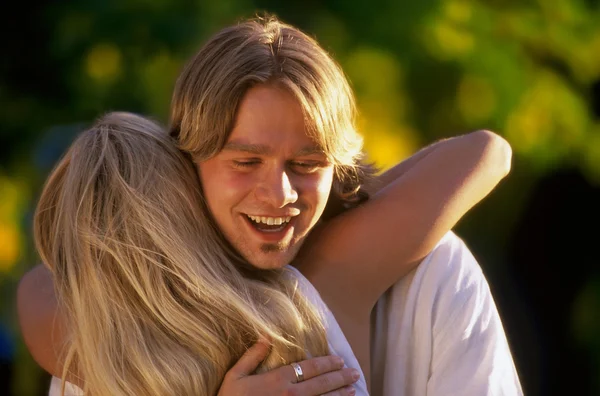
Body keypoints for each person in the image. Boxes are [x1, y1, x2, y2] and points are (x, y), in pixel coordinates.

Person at [18, 16, 522, 395]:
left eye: (306, 164)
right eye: (246, 161)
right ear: (186, 161)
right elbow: (489, 151)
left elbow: (36, 291)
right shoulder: (336, 269)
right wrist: (369, 205)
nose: (279, 194)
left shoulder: (97, 320)